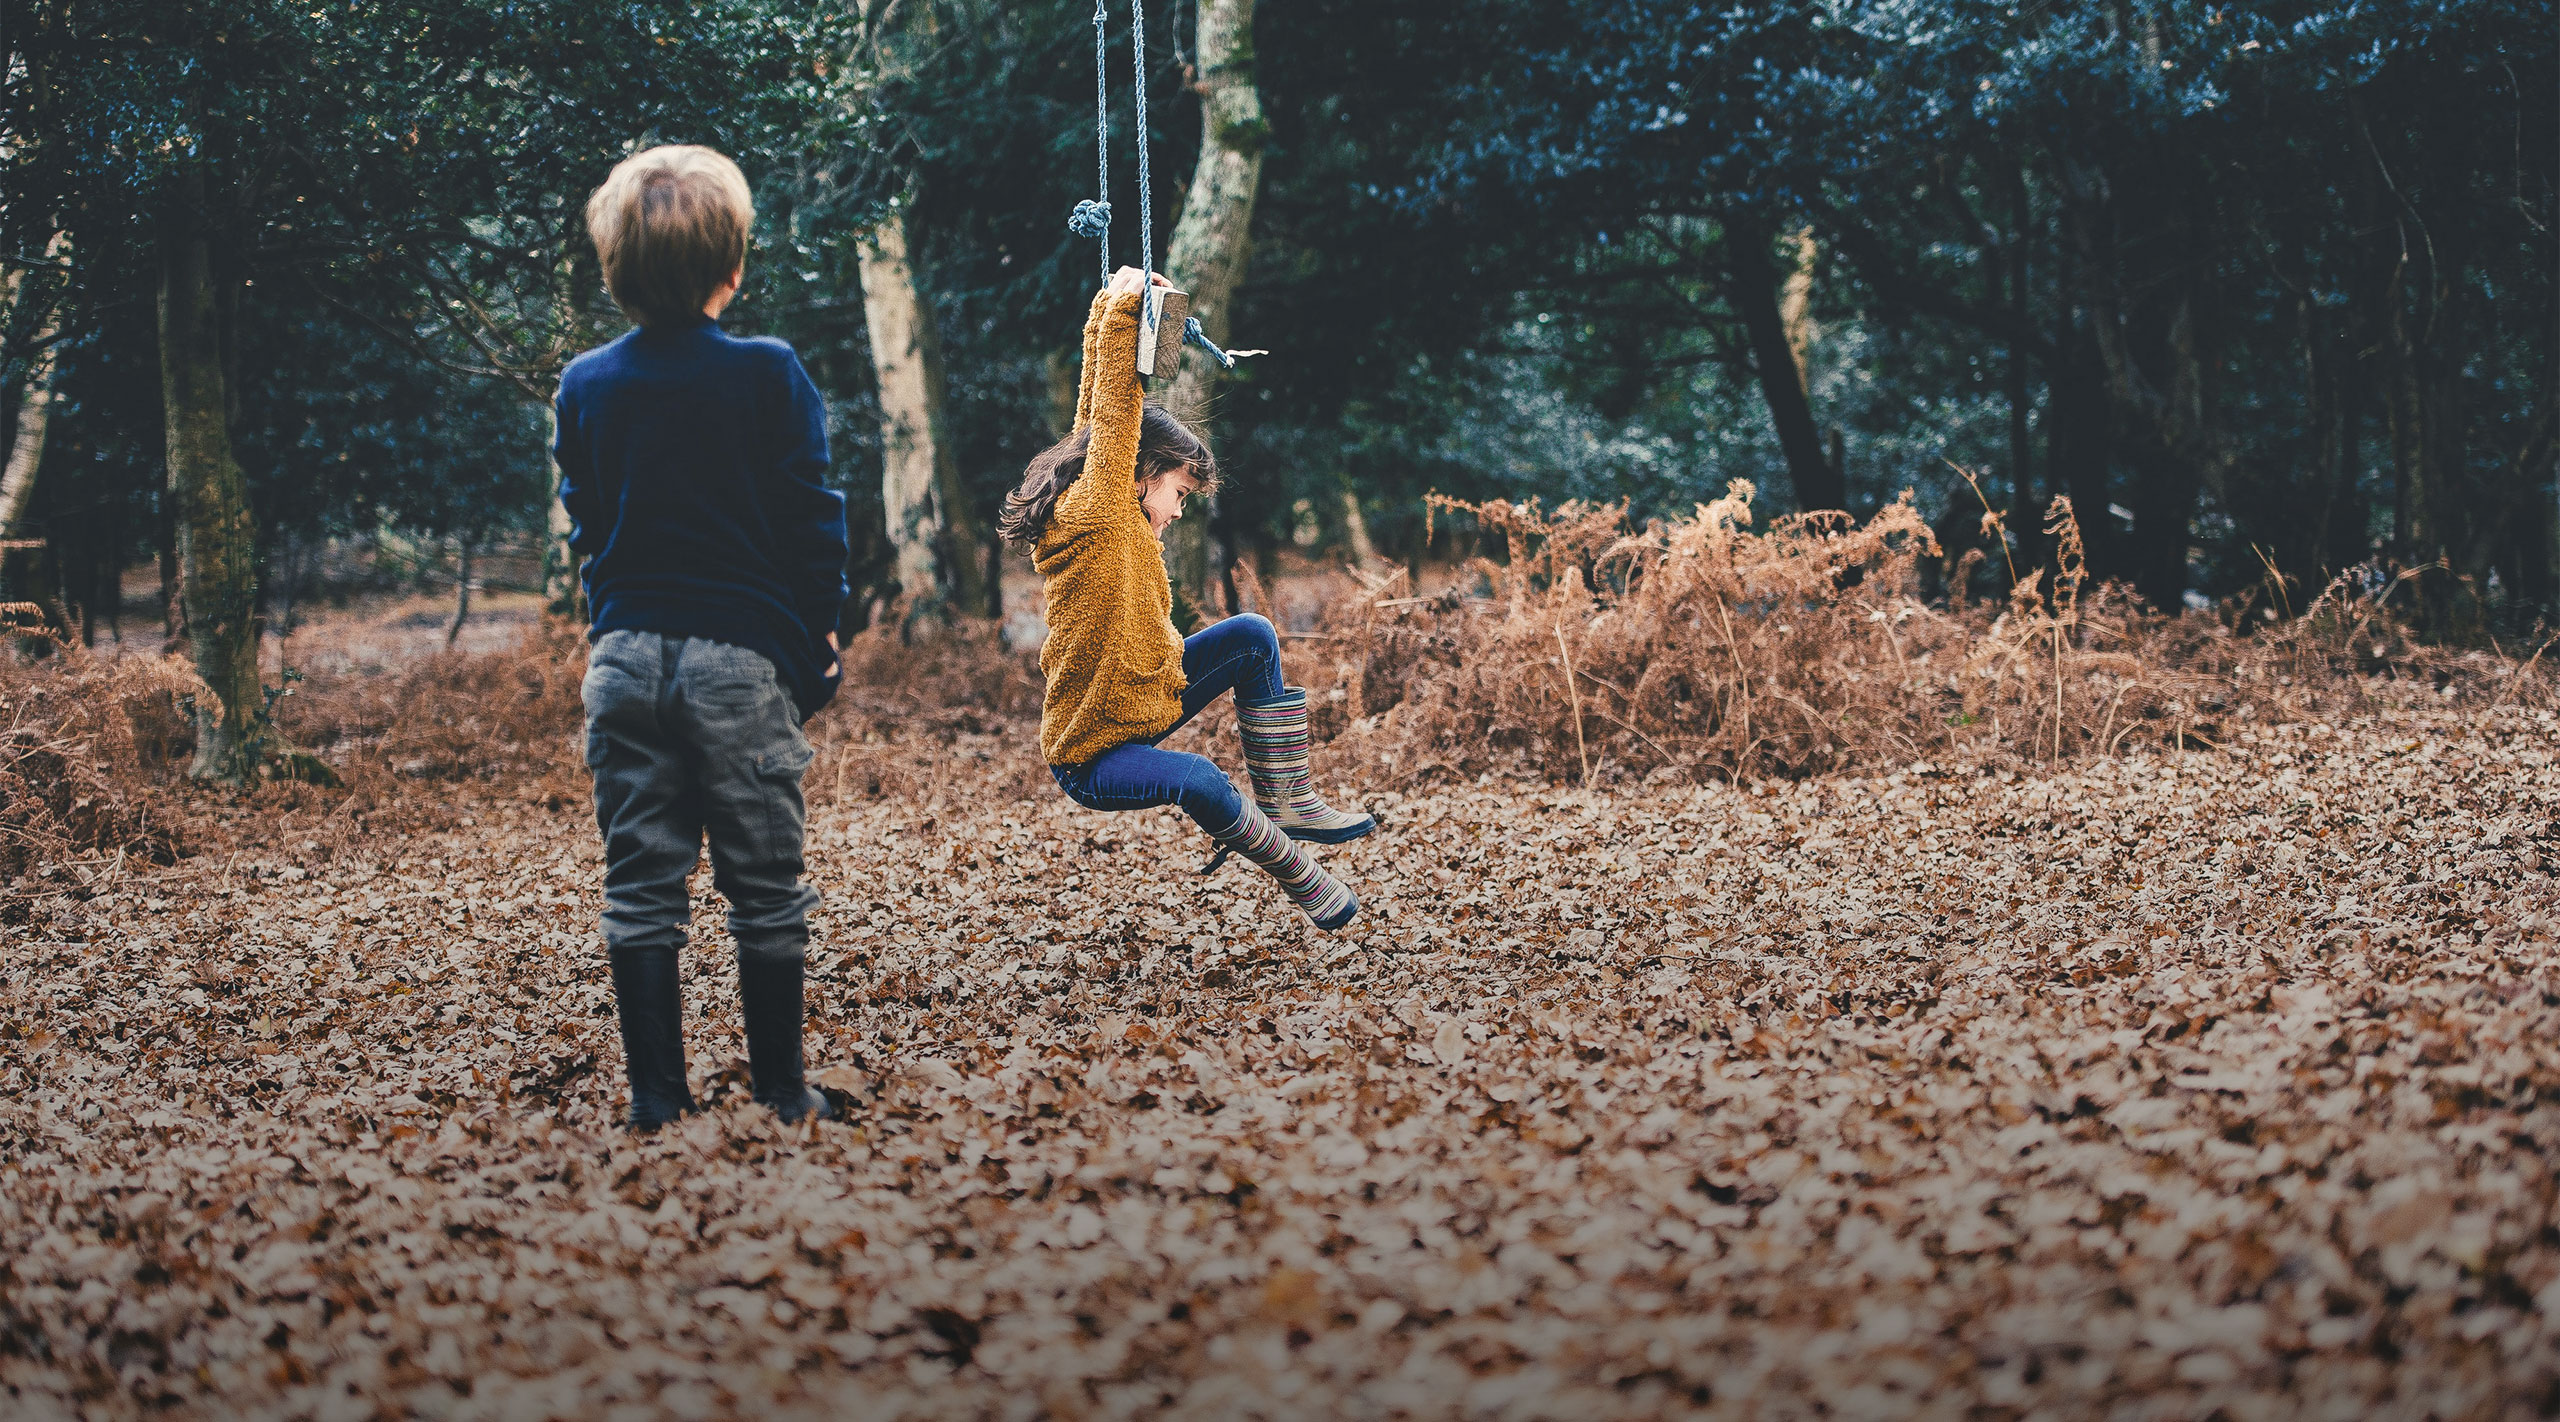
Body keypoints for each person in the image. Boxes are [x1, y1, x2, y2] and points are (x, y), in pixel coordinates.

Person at [554, 145, 847, 1130]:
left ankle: (656, 1103)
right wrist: (819, 638)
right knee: (763, 881)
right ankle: (780, 1093)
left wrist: (613, 620)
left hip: (625, 657)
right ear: (735, 266)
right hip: (738, 658)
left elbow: (587, 521)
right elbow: (811, 516)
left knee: (640, 880)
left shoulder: (585, 385)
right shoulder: (769, 373)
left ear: (616, 267)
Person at [1002, 267, 1374, 930]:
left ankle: (1288, 798)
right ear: (1140, 473)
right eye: (1178, 492)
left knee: (1253, 636)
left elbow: (1095, 415)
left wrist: (1104, 308)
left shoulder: (1110, 505)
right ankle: (1295, 870)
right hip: (1094, 752)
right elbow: (1116, 411)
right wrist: (1124, 309)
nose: (1178, 511)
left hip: (1150, 696)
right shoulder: (1096, 513)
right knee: (1199, 778)